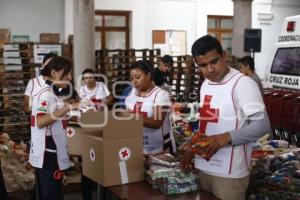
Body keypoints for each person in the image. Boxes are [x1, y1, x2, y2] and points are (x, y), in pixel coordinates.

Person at [180, 35, 270, 200]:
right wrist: (192, 148)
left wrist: (226, 137)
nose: (209, 70)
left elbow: (262, 125)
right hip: (204, 165)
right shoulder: (206, 84)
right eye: (203, 65)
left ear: (223, 56)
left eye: (214, 62)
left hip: (229, 173)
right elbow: (206, 122)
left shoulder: (243, 84)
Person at [29, 56, 79, 200]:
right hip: (47, 155)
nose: (70, 77)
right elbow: (40, 121)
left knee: (54, 193)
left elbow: (57, 116)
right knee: (50, 194)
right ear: (54, 73)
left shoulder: (53, 92)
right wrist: (69, 107)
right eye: (67, 73)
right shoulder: (46, 94)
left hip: (53, 153)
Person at [125, 60, 176, 155]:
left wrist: (130, 116)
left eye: (138, 77)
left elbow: (156, 122)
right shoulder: (132, 93)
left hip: (159, 148)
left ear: (148, 76)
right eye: (132, 78)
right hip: (138, 144)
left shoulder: (160, 94)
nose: (134, 81)